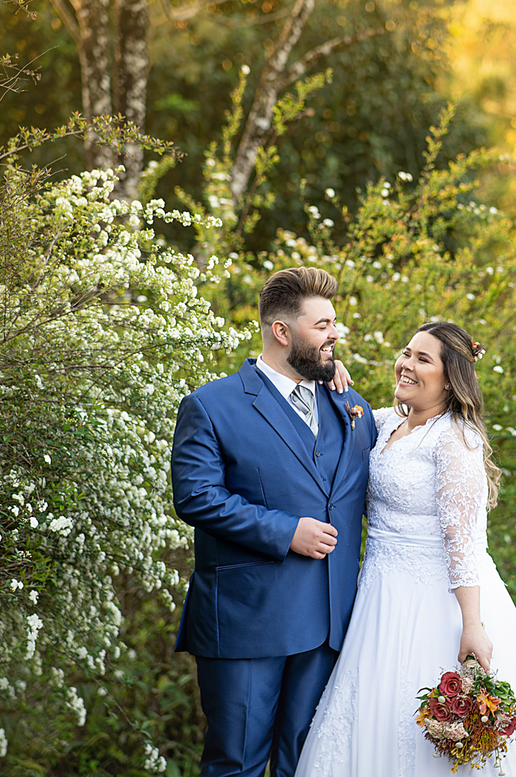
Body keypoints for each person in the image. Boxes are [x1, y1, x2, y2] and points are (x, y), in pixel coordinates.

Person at [294, 321, 516, 776]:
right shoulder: (384, 423)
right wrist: (330, 372)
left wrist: (473, 625)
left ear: (450, 377)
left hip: (436, 604)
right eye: (406, 353)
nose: (406, 365)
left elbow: (464, 541)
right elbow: (335, 410)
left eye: (424, 359)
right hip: (379, 600)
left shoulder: (455, 439)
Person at [171, 266, 377, 777]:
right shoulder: (211, 406)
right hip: (247, 618)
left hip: (330, 621)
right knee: (236, 763)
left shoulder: (351, 406)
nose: (336, 335)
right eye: (323, 325)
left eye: (335, 324)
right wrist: (286, 532)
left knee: (309, 763)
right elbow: (196, 497)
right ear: (282, 332)